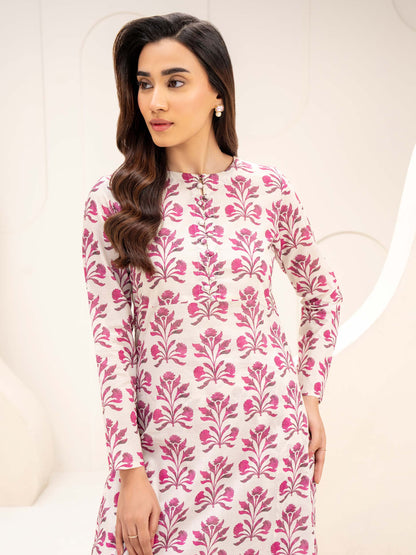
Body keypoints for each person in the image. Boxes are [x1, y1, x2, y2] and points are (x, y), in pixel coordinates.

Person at [81, 12, 343, 555]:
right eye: (144, 84)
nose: (155, 102)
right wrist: (129, 473)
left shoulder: (267, 190)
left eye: (175, 82)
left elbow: (323, 295)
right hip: (166, 459)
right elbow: (111, 348)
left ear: (217, 93)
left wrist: (309, 396)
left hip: (271, 451)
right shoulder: (114, 202)